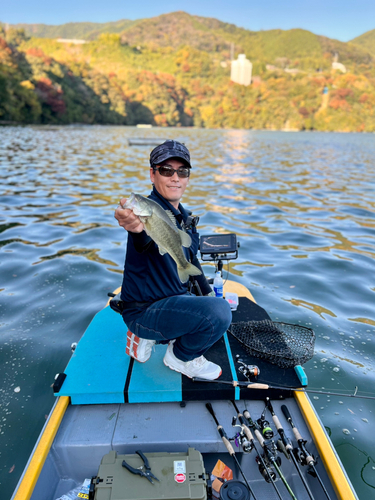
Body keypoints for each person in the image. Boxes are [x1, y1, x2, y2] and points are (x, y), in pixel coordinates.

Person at [114, 139, 232, 380]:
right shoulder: (145, 211)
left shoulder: (186, 220)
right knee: (219, 314)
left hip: (171, 301)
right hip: (143, 312)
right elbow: (140, 234)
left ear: (188, 177)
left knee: (214, 307)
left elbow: (193, 266)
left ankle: (150, 336)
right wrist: (134, 226)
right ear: (152, 174)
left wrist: (208, 295)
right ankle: (179, 358)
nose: (175, 177)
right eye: (166, 170)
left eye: (182, 171)